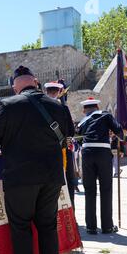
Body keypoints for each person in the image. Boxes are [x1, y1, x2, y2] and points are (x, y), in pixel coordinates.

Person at [0, 67, 70, 254]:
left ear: (16, 85)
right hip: (51, 176)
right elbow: (68, 134)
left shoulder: (8, 105)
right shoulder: (57, 105)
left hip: (20, 178)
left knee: (21, 228)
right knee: (48, 227)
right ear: (35, 82)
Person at [77, 97, 123, 235]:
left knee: (89, 190)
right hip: (103, 152)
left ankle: (91, 226)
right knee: (106, 188)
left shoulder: (83, 121)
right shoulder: (106, 115)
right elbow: (119, 130)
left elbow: (78, 137)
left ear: (85, 110)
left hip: (87, 153)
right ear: (97, 107)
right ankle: (107, 226)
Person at [44, 81, 76, 210]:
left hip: (45, 152)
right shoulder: (63, 108)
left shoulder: (41, 107)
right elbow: (71, 131)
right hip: (62, 150)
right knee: (68, 182)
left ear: (46, 92)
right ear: (58, 93)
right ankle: (69, 212)